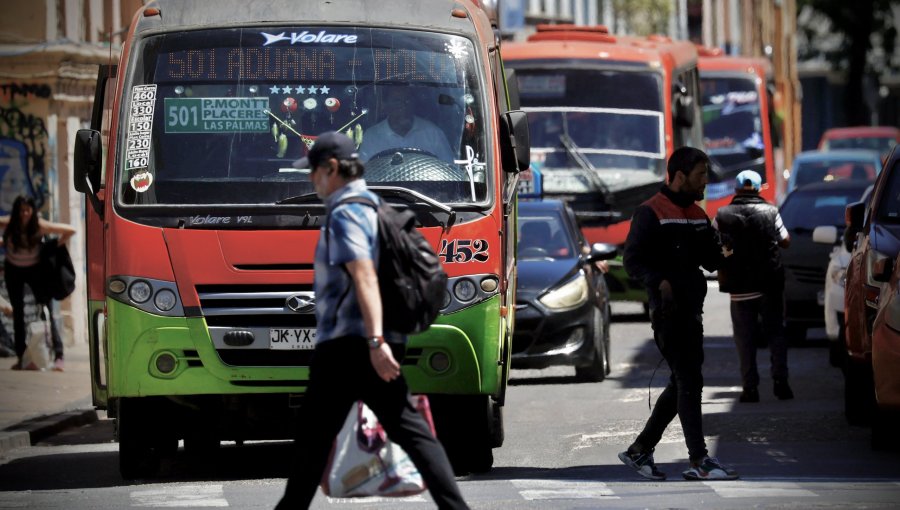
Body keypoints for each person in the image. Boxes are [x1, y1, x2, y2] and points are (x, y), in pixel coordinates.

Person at [276, 132, 468, 509]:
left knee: (313, 440)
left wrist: (375, 342)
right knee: (410, 432)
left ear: (332, 169)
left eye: (314, 172)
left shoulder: (347, 212)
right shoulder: (374, 204)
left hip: (350, 346)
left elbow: (363, 275)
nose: (311, 180)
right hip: (370, 341)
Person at [619, 147, 738, 481]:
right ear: (680, 176)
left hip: (692, 312)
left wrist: (727, 247)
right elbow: (632, 261)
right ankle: (700, 459)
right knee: (689, 381)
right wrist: (659, 281)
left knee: (684, 382)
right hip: (668, 315)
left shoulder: (699, 215)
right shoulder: (650, 212)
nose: (706, 182)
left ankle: (640, 450)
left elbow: (712, 260)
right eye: (701, 175)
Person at [714, 170, 793, 403]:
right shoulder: (771, 211)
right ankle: (781, 384)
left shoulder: (722, 215)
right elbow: (785, 240)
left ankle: (750, 389)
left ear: (736, 190)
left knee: (744, 338)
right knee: (776, 334)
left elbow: (712, 242)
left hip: (739, 287)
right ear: (758, 189)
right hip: (770, 285)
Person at [1, 195, 75, 371]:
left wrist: (52, 245)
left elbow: (70, 230)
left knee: (48, 308)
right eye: (21, 210)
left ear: (33, 211)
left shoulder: (40, 225)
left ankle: (59, 356)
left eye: (28, 210)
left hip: (36, 271)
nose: (24, 214)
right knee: (18, 313)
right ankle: (23, 358)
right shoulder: (10, 224)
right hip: (14, 272)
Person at [358, 86, 456, 163]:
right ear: (385, 106)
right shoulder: (372, 136)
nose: (403, 106)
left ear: (414, 104)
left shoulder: (433, 133)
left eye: (407, 100)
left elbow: (449, 169)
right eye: (397, 101)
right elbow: (363, 174)